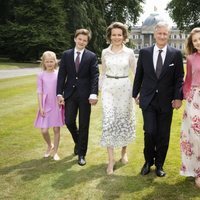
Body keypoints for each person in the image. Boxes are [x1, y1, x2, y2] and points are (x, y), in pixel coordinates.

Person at [132, 21, 184, 177]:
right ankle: (148, 161)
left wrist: (178, 97)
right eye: (159, 33)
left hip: (166, 101)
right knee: (149, 131)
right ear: (154, 34)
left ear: (168, 35)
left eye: (165, 33)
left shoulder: (175, 54)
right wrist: (135, 94)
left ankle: (160, 164)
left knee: (163, 134)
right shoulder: (145, 53)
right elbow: (139, 74)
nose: (162, 36)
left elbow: (179, 78)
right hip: (148, 99)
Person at [57, 28, 99, 166]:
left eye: (84, 40)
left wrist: (94, 93)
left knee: (84, 124)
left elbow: (95, 76)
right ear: (75, 39)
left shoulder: (91, 56)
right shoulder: (66, 55)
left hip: (85, 95)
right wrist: (59, 93)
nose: (81, 42)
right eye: (79, 39)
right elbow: (62, 75)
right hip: (69, 94)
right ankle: (78, 142)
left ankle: (81, 154)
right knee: (69, 121)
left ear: (87, 42)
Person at [100, 22, 136, 175]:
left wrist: (138, 92)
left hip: (125, 89)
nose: (116, 37)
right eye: (113, 34)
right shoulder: (105, 52)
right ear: (110, 36)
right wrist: (99, 90)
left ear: (124, 36)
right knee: (109, 121)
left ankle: (123, 152)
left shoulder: (129, 52)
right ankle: (110, 160)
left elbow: (136, 73)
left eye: (119, 35)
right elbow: (102, 73)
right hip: (108, 89)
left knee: (123, 120)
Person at [34, 51, 64, 161]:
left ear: (55, 61)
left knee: (56, 129)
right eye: (47, 62)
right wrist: (41, 107)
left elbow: (62, 88)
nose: (49, 63)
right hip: (46, 104)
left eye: (51, 61)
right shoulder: (41, 75)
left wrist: (62, 98)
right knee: (44, 130)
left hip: (56, 103)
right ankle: (49, 145)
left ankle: (55, 151)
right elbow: (39, 91)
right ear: (44, 62)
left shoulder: (59, 73)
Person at [180, 27, 200, 188]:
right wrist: (187, 95)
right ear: (192, 43)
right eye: (195, 40)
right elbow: (188, 80)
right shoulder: (191, 58)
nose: (198, 42)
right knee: (194, 135)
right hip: (195, 99)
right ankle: (196, 171)